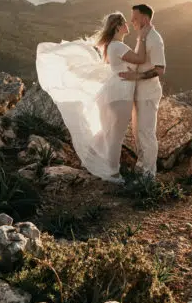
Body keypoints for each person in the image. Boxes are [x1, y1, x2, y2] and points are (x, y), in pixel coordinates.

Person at [35, 11, 151, 183]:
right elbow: (141, 59)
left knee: (109, 132)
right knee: (116, 136)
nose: (128, 25)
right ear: (118, 26)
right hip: (120, 95)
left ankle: (90, 158)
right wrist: (142, 37)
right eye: (125, 22)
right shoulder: (118, 46)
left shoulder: (112, 45)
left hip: (115, 93)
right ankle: (113, 173)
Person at [119, 4, 166, 176]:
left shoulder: (154, 38)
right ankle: (141, 166)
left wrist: (136, 77)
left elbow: (160, 69)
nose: (131, 21)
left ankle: (149, 174)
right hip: (139, 93)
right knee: (138, 133)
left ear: (145, 19)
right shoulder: (143, 36)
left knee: (146, 133)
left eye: (135, 18)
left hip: (148, 94)